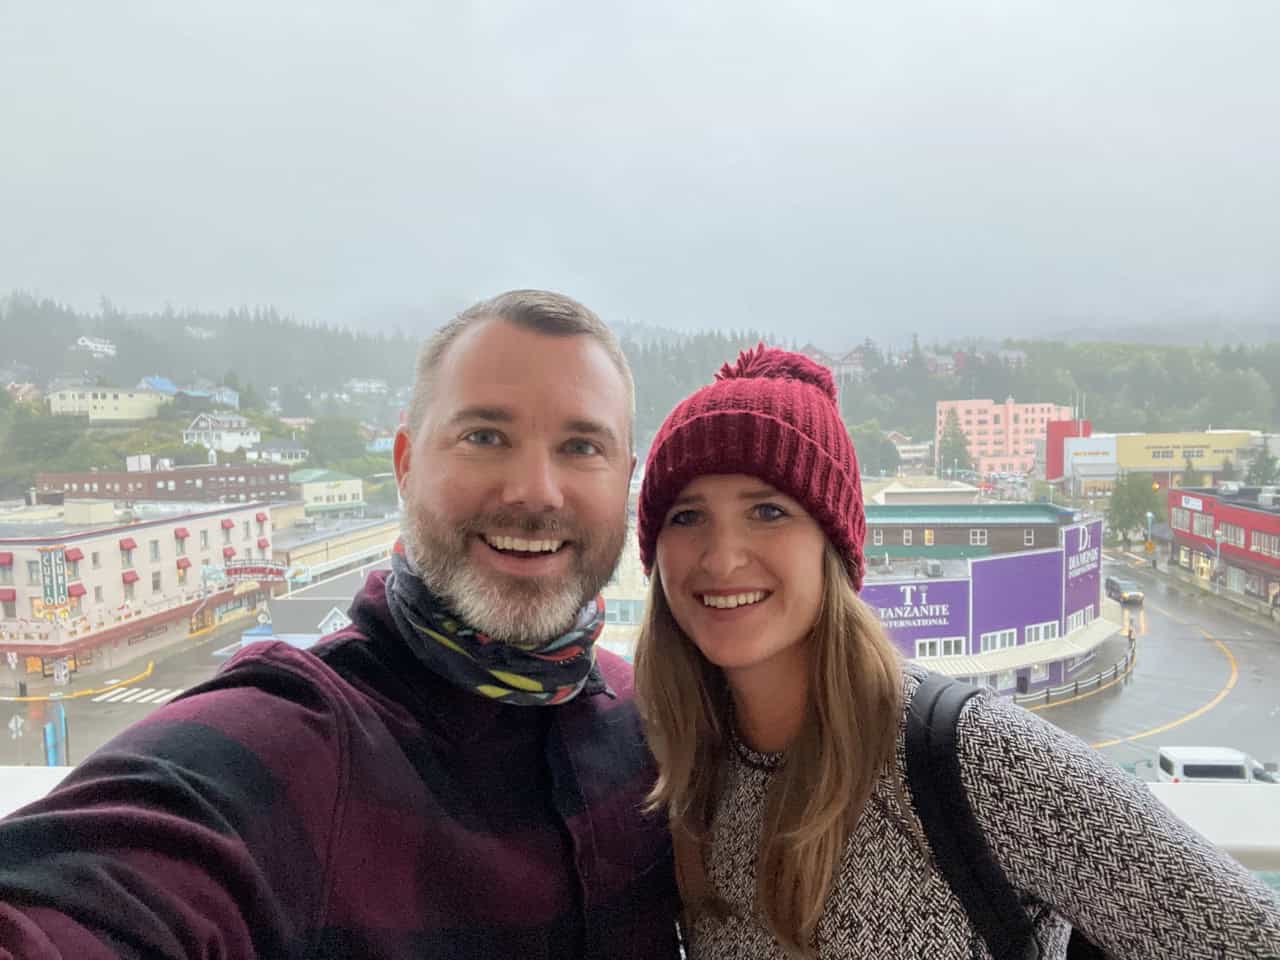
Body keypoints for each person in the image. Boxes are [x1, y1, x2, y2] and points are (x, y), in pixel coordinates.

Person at [0, 290, 680, 959]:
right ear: (406, 464)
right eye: (485, 436)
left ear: (625, 478)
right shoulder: (294, 743)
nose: (535, 489)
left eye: (581, 446)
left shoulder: (646, 725)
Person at [632, 344, 1280, 959]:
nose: (720, 557)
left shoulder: (972, 759)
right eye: (686, 516)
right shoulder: (681, 769)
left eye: (767, 512)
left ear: (832, 546)